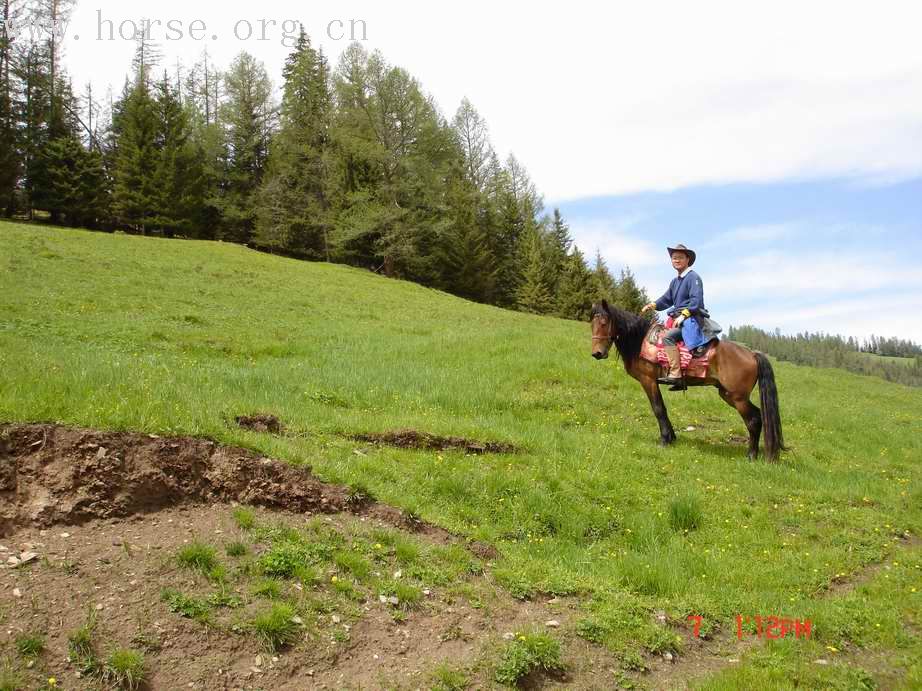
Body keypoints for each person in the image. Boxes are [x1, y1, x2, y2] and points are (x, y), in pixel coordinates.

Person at [641, 243, 719, 390]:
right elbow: (666, 299)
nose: (676, 260)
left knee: (667, 337)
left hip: (692, 320)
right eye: (674, 258)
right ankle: (678, 375)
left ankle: (676, 374)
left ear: (687, 260)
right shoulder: (675, 281)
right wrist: (652, 305)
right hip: (678, 319)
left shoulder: (693, 277)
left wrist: (683, 316)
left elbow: (696, 302)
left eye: (680, 258)